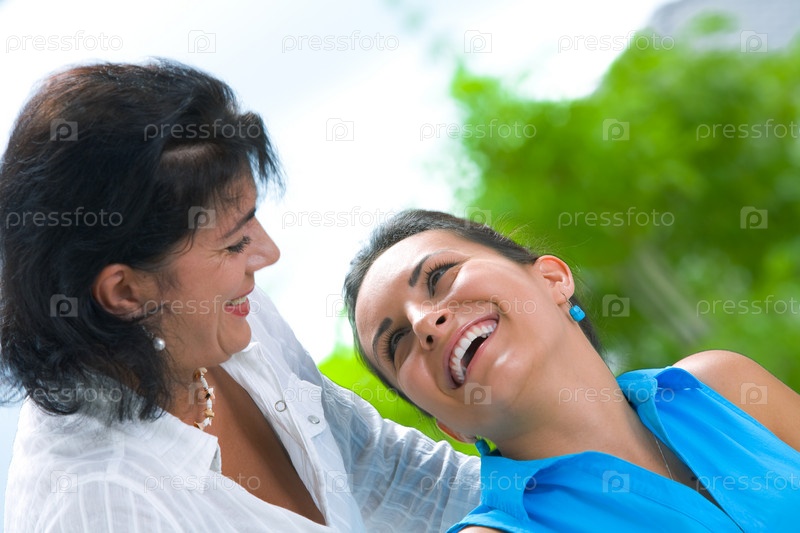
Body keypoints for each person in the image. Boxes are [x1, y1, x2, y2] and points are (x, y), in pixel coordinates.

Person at [0, 61, 480, 532]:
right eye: (234, 244)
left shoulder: (224, 319)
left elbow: (377, 465)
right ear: (125, 292)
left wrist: (526, 491)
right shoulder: (99, 506)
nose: (268, 253)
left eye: (252, 220)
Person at [343, 209, 800, 532]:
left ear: (552, 279)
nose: (424, 323)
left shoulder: (724, 384)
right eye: (396, 342)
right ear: (448, 425)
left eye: (439, 276)